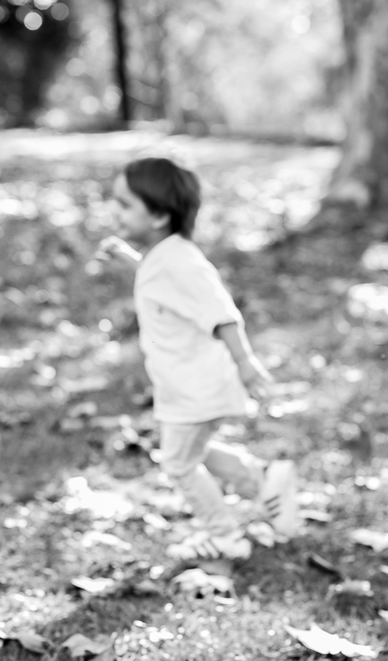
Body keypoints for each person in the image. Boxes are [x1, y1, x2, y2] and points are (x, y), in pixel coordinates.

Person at [96, 157, 299, 561]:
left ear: (159, 216)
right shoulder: (165, 255)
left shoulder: (182, 263)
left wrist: (245, 362)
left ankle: (224, 534)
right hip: (187, 385)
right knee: (193, 451)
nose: (113, 211)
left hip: (196, 388)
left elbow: (221, 313)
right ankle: (262, 479)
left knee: (178, 463)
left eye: (125, 204)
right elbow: (158, 277)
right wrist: (126, 258)